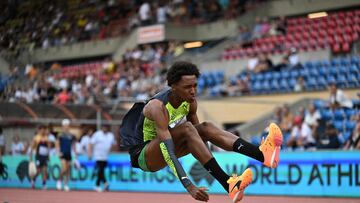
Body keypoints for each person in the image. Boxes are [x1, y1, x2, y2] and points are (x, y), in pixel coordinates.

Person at [120, 61, 283, 202]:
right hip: (144, 155)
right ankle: (228, 182)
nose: (193, 91)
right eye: (187, 87)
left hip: (165, 147)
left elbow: (200, 139)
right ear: (173, 87)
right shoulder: (157, 107)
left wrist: (211, 166)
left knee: (205, 127)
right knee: (187, 128)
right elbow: (167, 149)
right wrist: (188, 184)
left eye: (195, 86)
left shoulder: (190, 102)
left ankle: (261, 156)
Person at [88, 125, 116, 192]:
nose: (105, 129)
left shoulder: (110, 135)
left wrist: (110, 149)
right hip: (98, 156)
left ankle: (104, 184)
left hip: (105, 156)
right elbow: (90, 143)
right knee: (100, 170)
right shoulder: (97, 134)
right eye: (103, 127)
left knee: (102, 170)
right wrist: (89, 153)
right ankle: (99, 185)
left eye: (106, 127)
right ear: (101, 128)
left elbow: (114, 144)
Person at [56, 119, 77, 191]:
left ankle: (66, 184)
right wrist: (58, 152)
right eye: (65, 125)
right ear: (63, 126)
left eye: (67, 125)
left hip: (69, 154)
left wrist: (75, 154)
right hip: (63, 153)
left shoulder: (72, 135)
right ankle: (59, 181)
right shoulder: (60, 135)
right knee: (64, 168)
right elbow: (57, 144)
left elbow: (74, 145)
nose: (66, 127)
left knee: (68, 170)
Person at [29, 125, 51, 189]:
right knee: (38, 170)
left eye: (44, 129)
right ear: (39, 130)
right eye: (42, 129)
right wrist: (30, 157)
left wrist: (48, 156)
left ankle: (44, 184)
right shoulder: (36, 138)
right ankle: (33, 179)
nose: (43, 131)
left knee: (44, 170)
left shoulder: (47, 138)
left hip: (44, 156)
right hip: (38, 156)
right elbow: (32, 147)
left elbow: (48, 148)